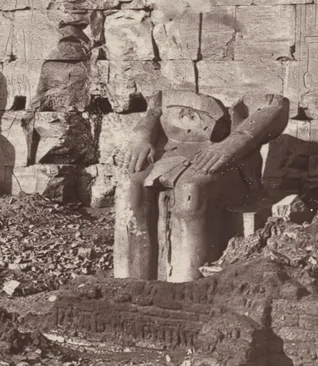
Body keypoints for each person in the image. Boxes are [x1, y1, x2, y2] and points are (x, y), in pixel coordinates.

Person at [116, 89, 289, 282]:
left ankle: (186, 282)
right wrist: (142, 135)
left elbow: (276, 106)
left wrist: (231, 144)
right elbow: (154, 110)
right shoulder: (168, 93)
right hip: (171, 147)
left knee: (190, 189)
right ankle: (128, 281)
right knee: (129, 186)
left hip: (229, 155)